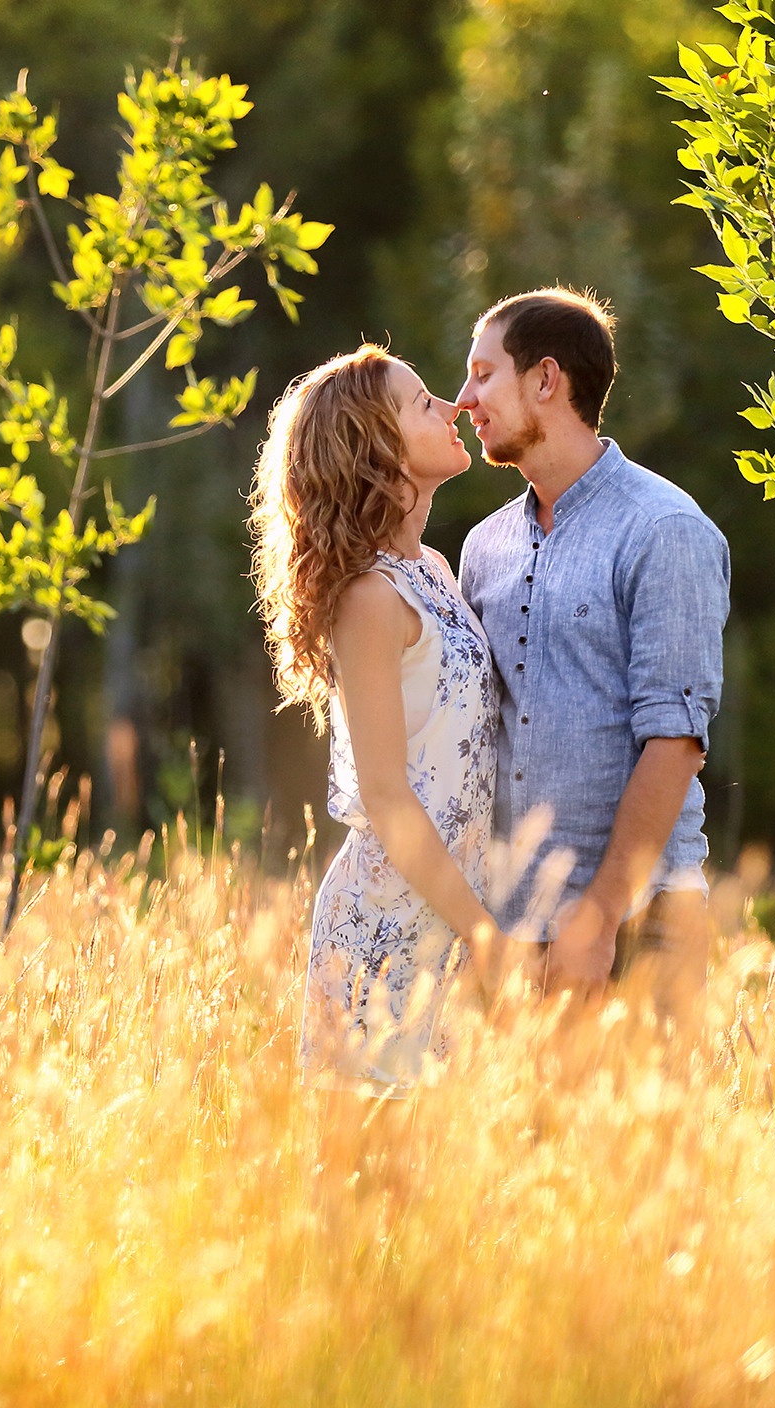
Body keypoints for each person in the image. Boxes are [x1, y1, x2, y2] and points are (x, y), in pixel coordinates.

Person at [456, 288, 730, 1018]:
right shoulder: (482, 547)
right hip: (511, 932)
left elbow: (675, 741)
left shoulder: (665, 529)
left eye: (483, 375)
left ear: (546, 380)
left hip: (642, 924)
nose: (464, 399)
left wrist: (599, 917)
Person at [249, 344, 503, 1090]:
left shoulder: (434, 571)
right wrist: (484, 931)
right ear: (378, 447)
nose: (452, 406)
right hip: (389, 923)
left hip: (448, 918)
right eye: (423, 402)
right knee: (369, 1179)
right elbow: (386, 795)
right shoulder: (368, 598)